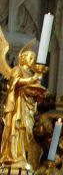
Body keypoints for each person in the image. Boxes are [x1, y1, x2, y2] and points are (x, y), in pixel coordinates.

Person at [0, 32, 47, 166]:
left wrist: (38, 94)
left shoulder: (31, 73)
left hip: (27, 108)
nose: (33, 60)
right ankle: (12, 155)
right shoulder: (18, 69)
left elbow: (33, 92)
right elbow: (13, 83)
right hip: (17, 106)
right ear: (24, 58)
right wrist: (31, 80)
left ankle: (21, 155)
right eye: (31, 57)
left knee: (27, 130)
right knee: (16, 128)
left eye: (34, 57)